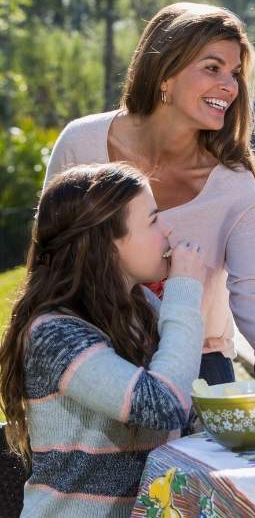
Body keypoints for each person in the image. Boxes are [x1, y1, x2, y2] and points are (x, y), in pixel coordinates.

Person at [44, 2, 255, 385]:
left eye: (234, 73)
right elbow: (49, 259)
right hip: (94, 365)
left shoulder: (233, 184)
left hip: (201, 368)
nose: (229, 86)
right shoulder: (83, 144)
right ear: (165, 74)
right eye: (212, 68)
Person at [0, 163, 206, 517]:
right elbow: (164, 405)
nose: (168, 229)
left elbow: (184, 417)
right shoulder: (55, 334)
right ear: (107, 243)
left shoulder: (140, 309)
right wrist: (185, 292)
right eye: (154, 220)